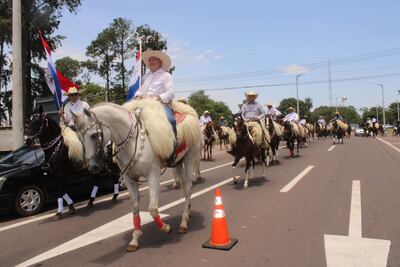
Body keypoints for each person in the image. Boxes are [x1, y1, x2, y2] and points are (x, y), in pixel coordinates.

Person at [133, 50, 176, 167]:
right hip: (143, 104)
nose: (151, 61)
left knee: (171, 120)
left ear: (160, 62)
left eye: (154, 59)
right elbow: (140, 91)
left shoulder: (166, 76)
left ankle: (172, 151)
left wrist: (158, 98)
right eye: (150, 60)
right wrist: (137, 96)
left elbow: (171, 93)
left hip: (160, 104)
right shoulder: (145, 77)